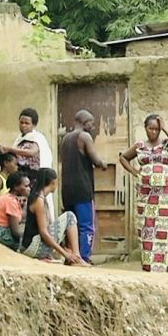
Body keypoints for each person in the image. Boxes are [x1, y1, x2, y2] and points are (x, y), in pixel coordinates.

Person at [119, 114, 168, 272]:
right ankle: (149, 264)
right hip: (146, 195)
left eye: (156, 129)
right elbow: (124, 158)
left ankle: (167, 264)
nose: (153, 132)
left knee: (165, 227)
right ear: (145, 128)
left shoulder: (166, 144)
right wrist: (135, 172)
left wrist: (165, 128)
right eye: (150, 128)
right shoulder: (140, 146)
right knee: (148, 228)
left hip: (164, 196)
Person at [59, 110, 105, 261]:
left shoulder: (65, 138)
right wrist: (102, 164)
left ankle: (71, 256)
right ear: (85, 122)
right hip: (82, 188)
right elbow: (95, 160)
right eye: (91, 123)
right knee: (86, 226)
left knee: (71, 224)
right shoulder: (84, 136)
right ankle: (84, 257)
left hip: (67, 189)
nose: (92, 126)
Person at [22, 168, 89, 266]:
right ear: (53, 182)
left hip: (31, 245)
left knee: (66, 224)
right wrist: (65, 254)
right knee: (69, 216)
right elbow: (44, 232)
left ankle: (73, 257)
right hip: (33, 247)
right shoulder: (39, 200)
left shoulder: (39, 197)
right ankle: (77, 258)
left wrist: (63, 248)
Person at [0, 172, 29, 251]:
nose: (29, 189)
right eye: (26, 186)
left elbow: (22, 218)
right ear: (16, 187)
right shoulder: (11, 201)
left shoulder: (10, 197)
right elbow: (15, 232)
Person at [5, 108, 52, 172]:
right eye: (21, 122)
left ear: (34, 125)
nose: (23, 125)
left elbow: (32, 152)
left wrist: (10, 149)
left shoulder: (37, 137)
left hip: (35, 174)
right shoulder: (19, 139)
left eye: (27, 123)